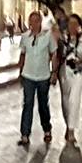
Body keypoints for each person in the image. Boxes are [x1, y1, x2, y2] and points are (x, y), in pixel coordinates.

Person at [17, 10, 59, 146]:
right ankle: (25, 134)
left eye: (36, 21)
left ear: (40, 22)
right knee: (27, 104)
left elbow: (53, 54)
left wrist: (54, 73)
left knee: (43, 105)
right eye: (31, 21)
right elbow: (22, 55)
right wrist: (20, 72)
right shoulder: (25, 37)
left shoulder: (48, 37)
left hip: (43, 76)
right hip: (28, 75)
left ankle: (47, 129)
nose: (33, 24)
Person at [58, 13, 82, 145]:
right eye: (70, 23)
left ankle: (72, 131)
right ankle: (68, 125)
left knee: (74, 99)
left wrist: (81, 60)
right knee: (65, 101)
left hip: (79, 72)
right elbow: (57, 55)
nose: (72, 26)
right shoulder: (62, 38)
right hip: (64, 71)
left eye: (75, 23)